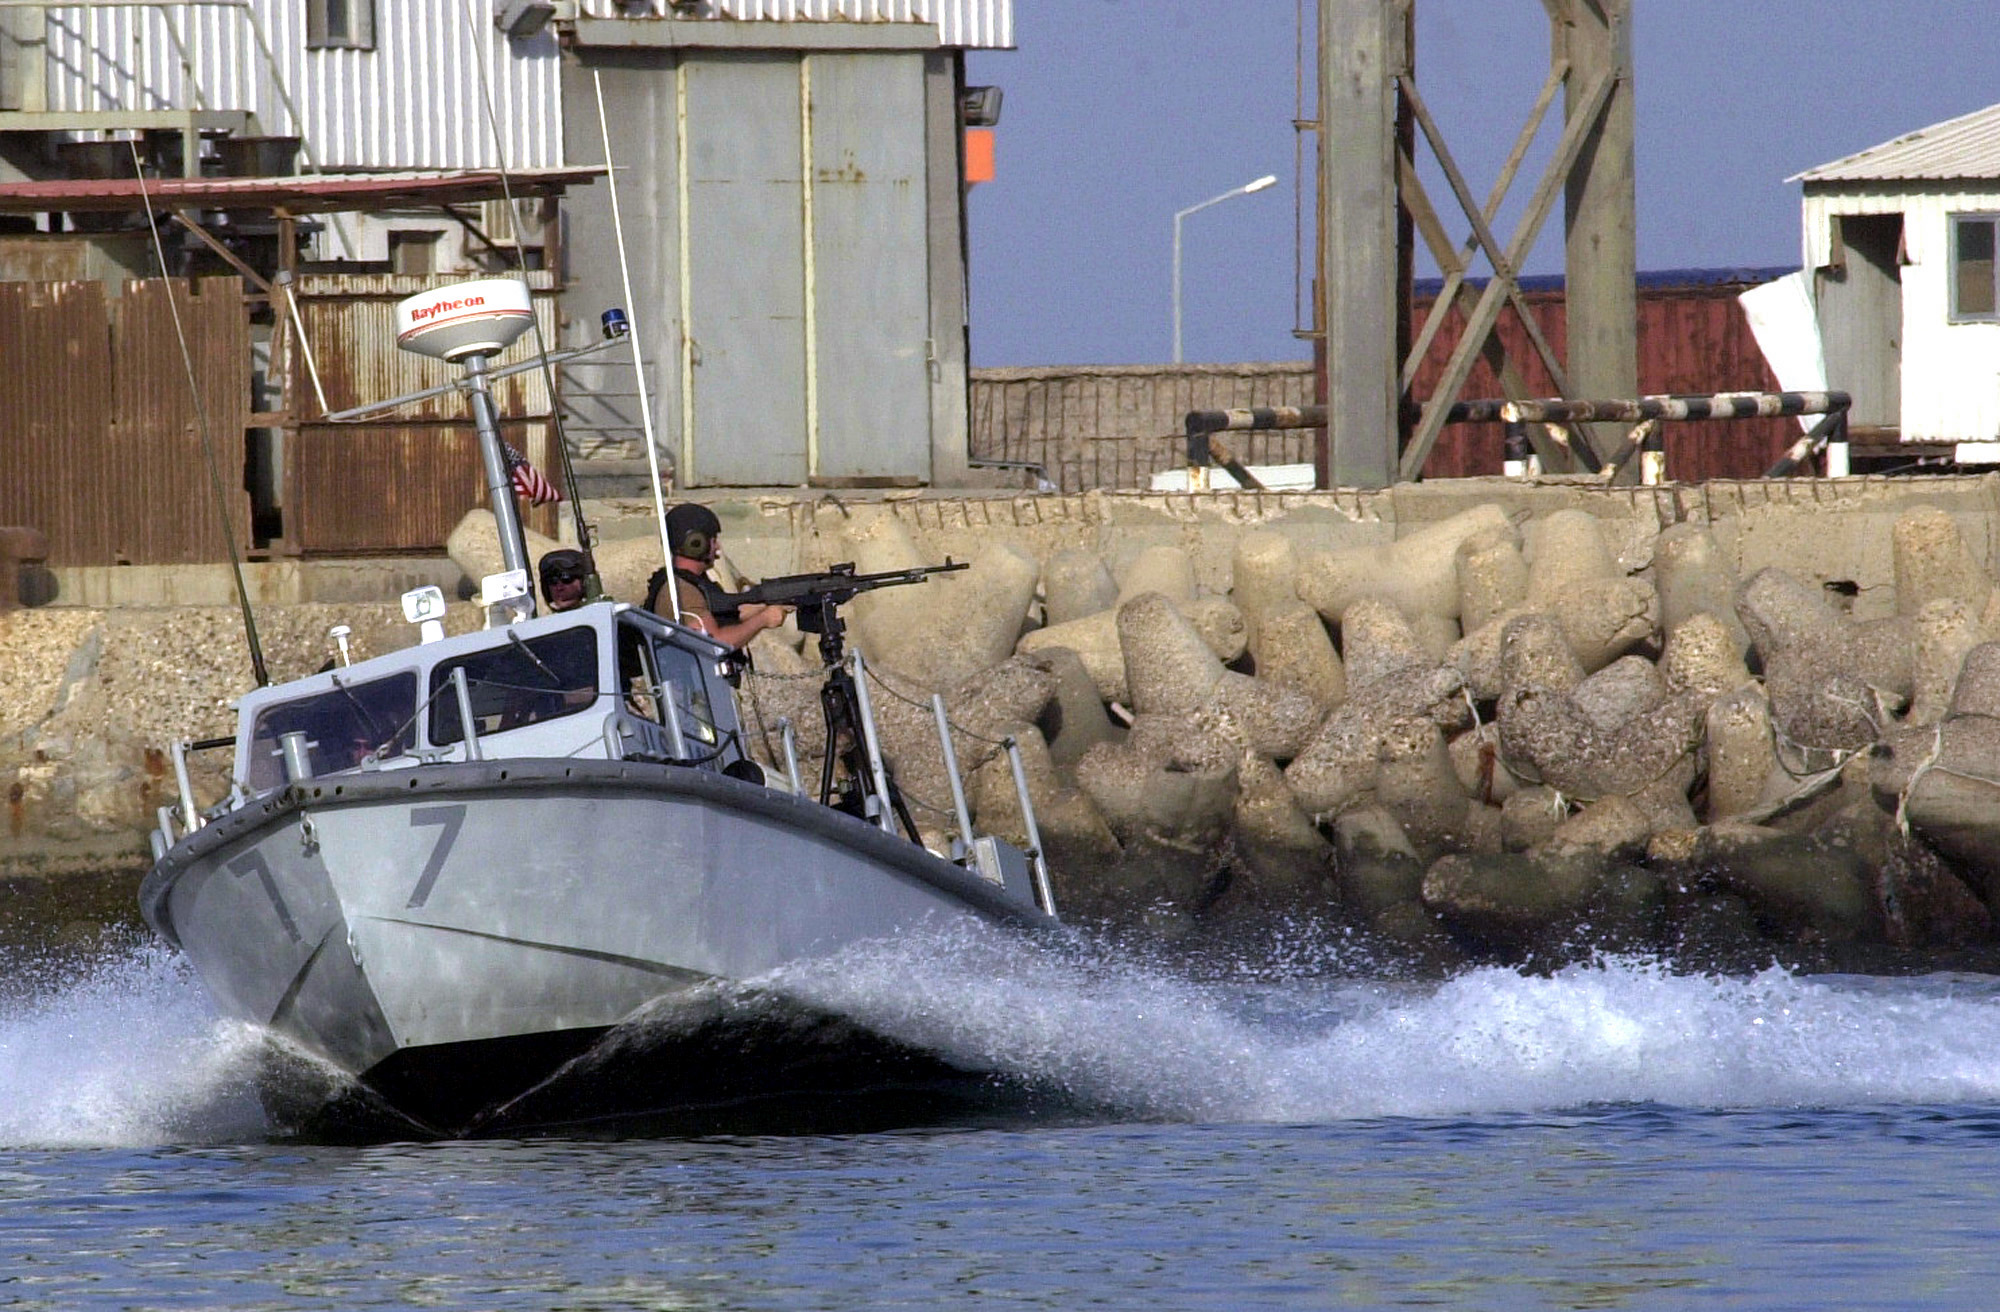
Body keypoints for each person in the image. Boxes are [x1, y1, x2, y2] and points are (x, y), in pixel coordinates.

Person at [644, 503, 788, 648]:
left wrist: (763, 606)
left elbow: (725, 616)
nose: (717, 547)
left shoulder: (694, 582)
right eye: (713, 541)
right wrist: (763, 620)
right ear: (695, 544)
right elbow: (715, 643)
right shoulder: (682, 591)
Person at [538, 548, 592, 614]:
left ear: (584, 582)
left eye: (567, 579)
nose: (559, 588)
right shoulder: (546, 623)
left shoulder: (603, 613)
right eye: (552, 581)